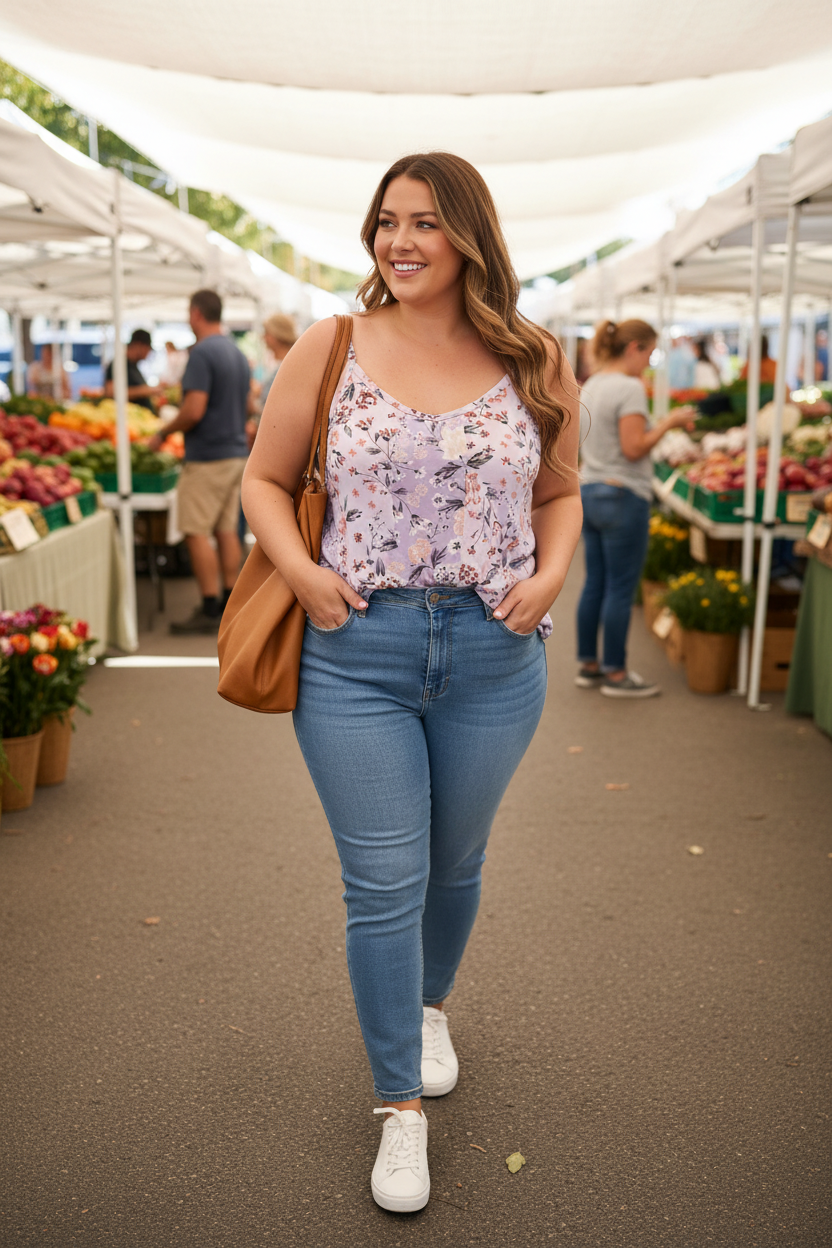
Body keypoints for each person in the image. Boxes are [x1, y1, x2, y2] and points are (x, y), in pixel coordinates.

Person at [242, 152, 582, 1214]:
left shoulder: (533, 357)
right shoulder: (331, 346)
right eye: (386, 220)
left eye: (425, 222)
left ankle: (430, 1004)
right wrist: (302, 574)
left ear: (468, 235)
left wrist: (551, 577)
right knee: (382, 883)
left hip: (492, 655)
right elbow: (261, 477)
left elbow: (561, 494)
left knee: (455, 860)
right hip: (358, 653)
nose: (399, 240)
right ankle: (399, 1110)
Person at [575, 319, 695, 698]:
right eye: (649, 352)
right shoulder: (629, 388)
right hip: (622, 494)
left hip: (590, 490)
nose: (649, 362)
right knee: (620, 588)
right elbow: (634, 448)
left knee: (595, 582)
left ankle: (589, 665)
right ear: (634, 349)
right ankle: (616, 673)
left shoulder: (591, 384)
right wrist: (669, 424)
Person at [148, 290, 251, 634]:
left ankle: (209, 608)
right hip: (235, 452)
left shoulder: (202, 353)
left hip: (208, 456)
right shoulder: (236, 352)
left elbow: (193, 410)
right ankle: (229, 600)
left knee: (194, 530)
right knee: (225, 529)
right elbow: (248, 405)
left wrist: (164, 432)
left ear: (195, 314)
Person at [104, 329, 165, 410]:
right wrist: (145, 391)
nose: (148, 353)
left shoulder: (133, 365)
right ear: (139, 345)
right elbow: (111, 392)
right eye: (148, 349)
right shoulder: (119, 364)